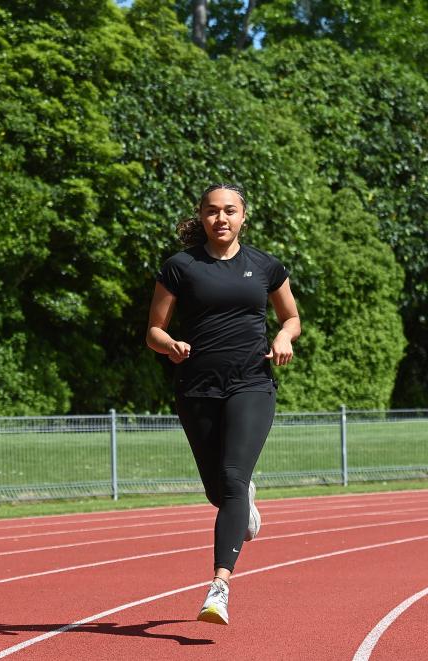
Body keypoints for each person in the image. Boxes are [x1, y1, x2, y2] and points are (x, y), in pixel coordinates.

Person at [146, 183, 301, 625]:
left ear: (243, 217)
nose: (221, 219)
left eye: (230, 211)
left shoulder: (266, 266)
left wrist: (283, 336)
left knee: (233, 477)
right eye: (212, 211)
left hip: (251, 383)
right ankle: (244, 504)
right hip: (197, 388)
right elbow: (153, 329)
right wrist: (170, 344)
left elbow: (291, 317)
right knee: (219, 490)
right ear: (202, 216)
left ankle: (219, 587)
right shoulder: (180, 267)